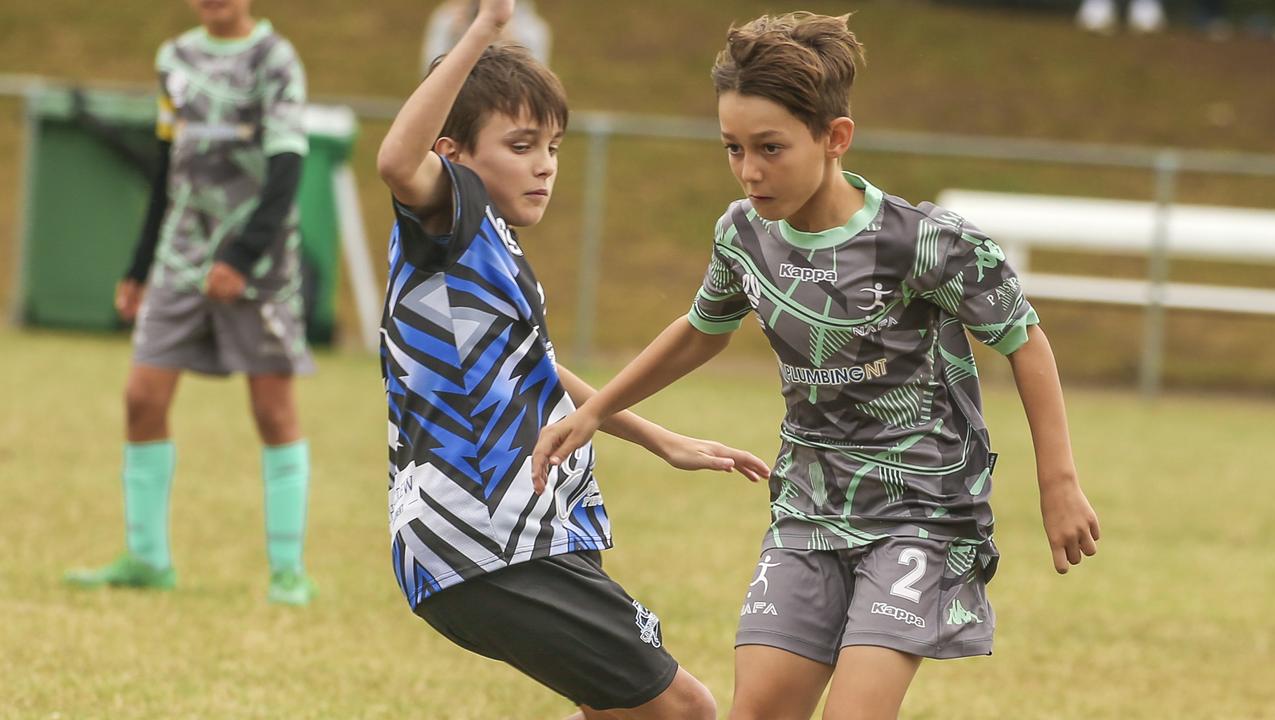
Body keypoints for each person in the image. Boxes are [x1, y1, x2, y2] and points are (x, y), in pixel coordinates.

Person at [534, 11, 1102, 720]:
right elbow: (701, 330)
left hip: (920, 512)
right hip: (808, 506)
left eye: (770, 148)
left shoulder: (923, 243)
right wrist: (592, 411)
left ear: (835, 139)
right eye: (733, 148)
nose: (749, 171)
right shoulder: (744, 235)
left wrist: (1059, 484)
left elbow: (1024, 340)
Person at [375, 1, 769, 717]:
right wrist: (484, 28)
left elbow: (534, 366)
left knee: (614, 711)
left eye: (554, 147)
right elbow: (397, 161)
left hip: (512, 535)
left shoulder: (487, 242)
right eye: (522, 146)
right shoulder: (449, 218)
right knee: (687, 711)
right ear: (453, 153)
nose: (545, 167)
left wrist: (658, 438)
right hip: (487, 540)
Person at [64, 0, 316, 606]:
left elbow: (287, 168)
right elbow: (166, 166)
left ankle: (288, 571)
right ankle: (147, 559)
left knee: (272, 411)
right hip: (180, 257)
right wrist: (139, 264)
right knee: (141, 397)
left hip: (258, 266)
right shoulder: (174, 58)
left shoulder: (274, 59)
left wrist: (242, 256)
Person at [422, 0, 551, 71]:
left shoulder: (532, 27)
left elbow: (535, 81)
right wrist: (456, 37)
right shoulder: (448, 18)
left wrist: (509, 43)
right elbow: (430, 71)